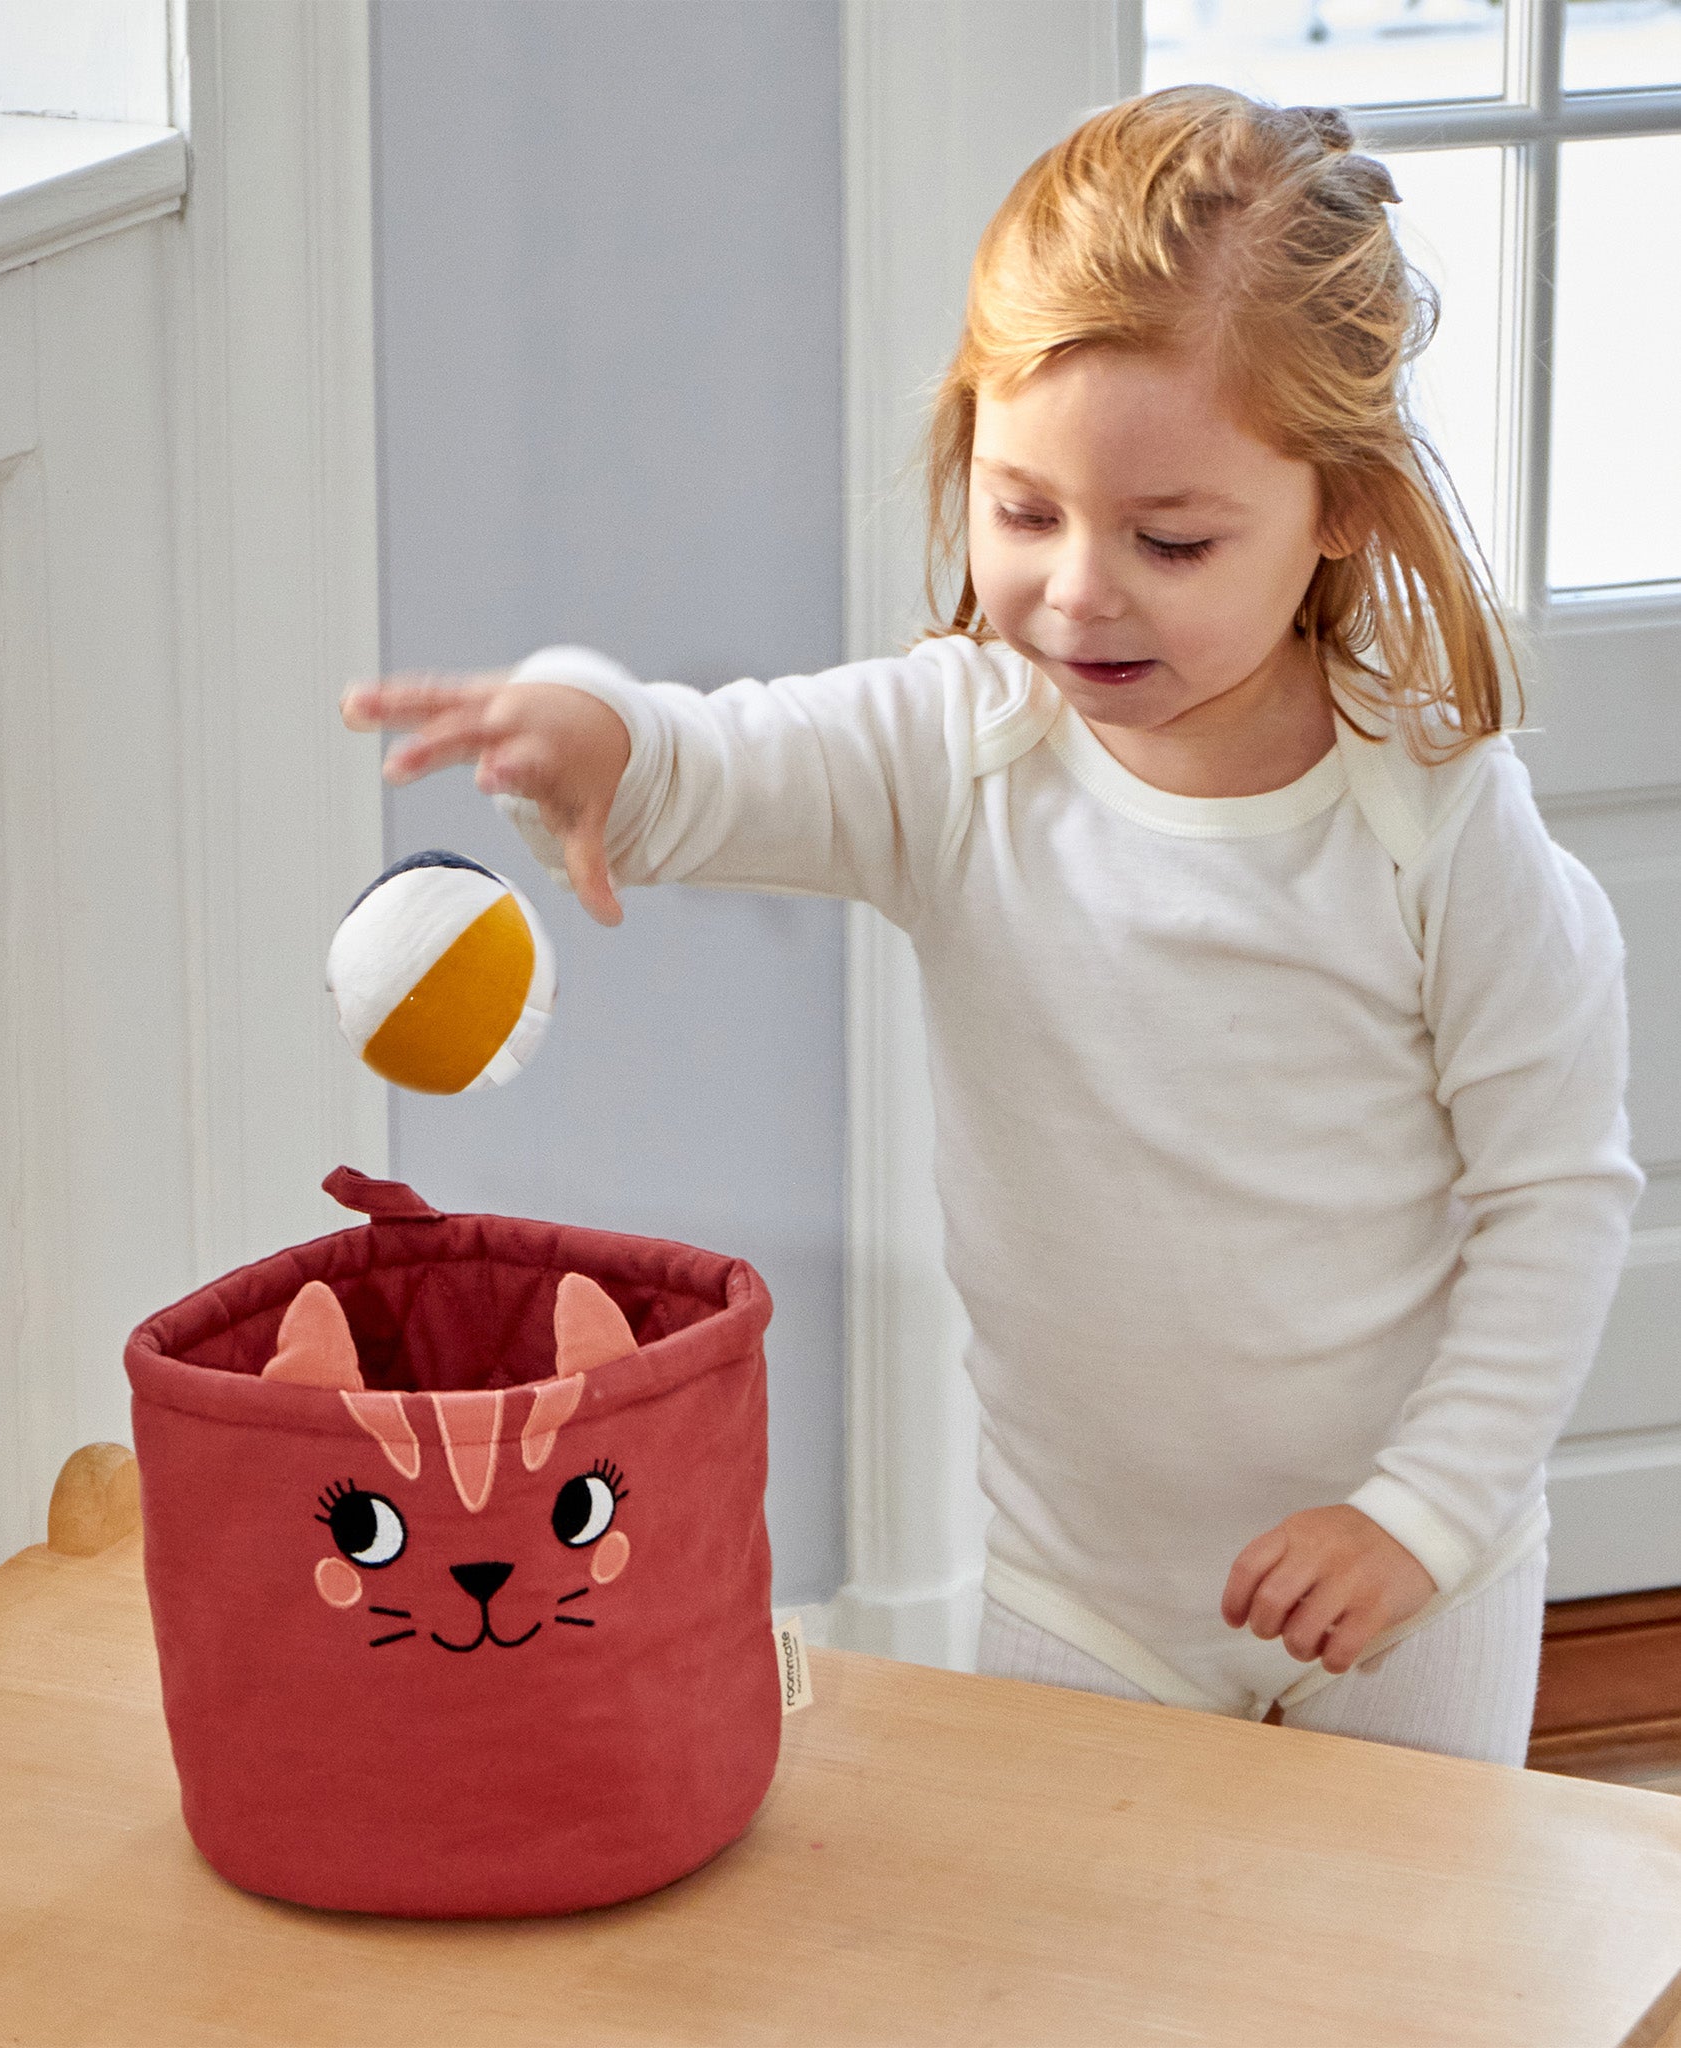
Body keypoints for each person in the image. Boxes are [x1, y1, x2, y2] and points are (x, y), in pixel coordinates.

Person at [344, 87, 1640, 1766]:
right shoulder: (958, 751)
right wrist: (590, 731)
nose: (1079, 589)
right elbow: (709, 766)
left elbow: (1554, 1195)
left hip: (1406, 1593)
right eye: (1023, 511)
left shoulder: (1437, 823)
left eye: (1168, 539)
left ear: (1339, 508)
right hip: (1078, 1595)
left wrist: (1424, 1518)